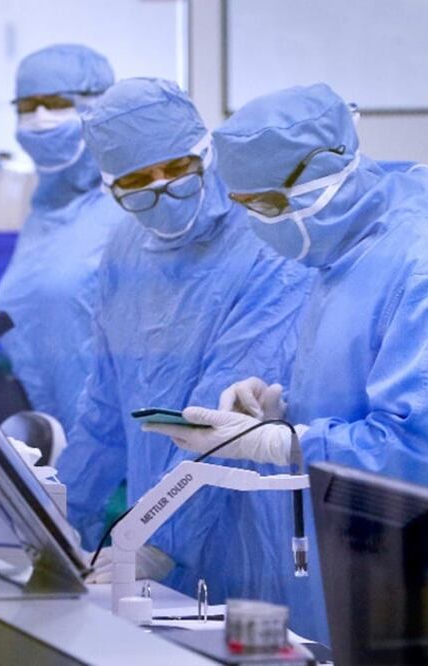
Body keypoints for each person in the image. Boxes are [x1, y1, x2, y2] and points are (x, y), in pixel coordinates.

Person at [150, 83, 428, 642]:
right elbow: (350, 401)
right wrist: (277, 408)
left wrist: (280, 443)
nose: (258, 223)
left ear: (326, 172)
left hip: (425, 580)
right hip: (347, 571)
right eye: (246, 207)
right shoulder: (338, 268)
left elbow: (422, 446)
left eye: (268, 205)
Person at [55, 78, 310, 604]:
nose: (162, 188)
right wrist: (55, 517)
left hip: (240, 525)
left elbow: (222, 422)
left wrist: (155, 539)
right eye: (137, 181)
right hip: (155, 522)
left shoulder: (262, 241)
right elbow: (105, 410)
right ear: (110, 187)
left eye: (177, 169)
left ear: (205, 151)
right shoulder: (125, 248)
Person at [0, 44, 127, 435]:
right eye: (27, 105)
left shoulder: (130, 208)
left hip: (112, 448)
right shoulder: (44, 211)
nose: (40, 118)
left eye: (55, 102)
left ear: (99, 107)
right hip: (52, 435)